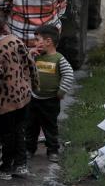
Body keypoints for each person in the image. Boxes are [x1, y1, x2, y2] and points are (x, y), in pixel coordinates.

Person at [0, 5, 38, 181]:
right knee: (19, 130)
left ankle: (5, 168)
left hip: (3, 102)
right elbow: (31, 64)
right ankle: (21, 165)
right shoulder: (15, 40)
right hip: (23, 96)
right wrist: (34, 84)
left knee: (5, 134)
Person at [25, 24, 73, 163]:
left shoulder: (58, 59)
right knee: (30, 126)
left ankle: (52, 150)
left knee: (50, 127)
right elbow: (24, 67)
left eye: (37, 39)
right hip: (33, 99)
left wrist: (61, 92)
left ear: (48, 41)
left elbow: (68, 74)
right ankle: (29, 148)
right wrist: (29, 55)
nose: (34, 42)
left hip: (50, 101)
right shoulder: (36, 57)